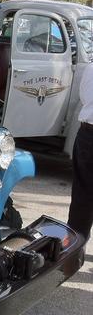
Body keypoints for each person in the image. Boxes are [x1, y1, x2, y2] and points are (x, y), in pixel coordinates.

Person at [68, 61, 93, 241]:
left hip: (88, 133)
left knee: (82, 197)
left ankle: (74, 251)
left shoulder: (91, 67)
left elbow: (84, 97)